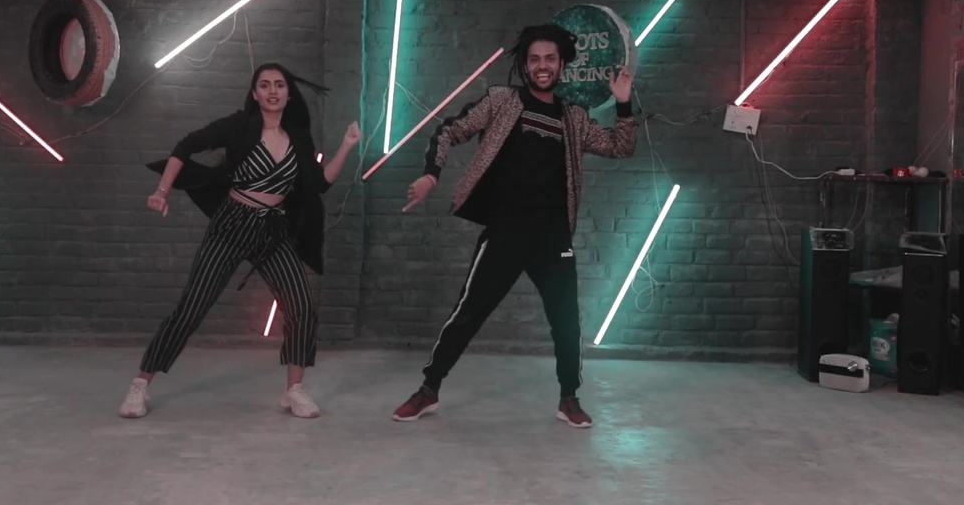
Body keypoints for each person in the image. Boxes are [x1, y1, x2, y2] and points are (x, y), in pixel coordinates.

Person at [391, 23, 636, 428]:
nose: (542, 66)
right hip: (506, 231)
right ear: (525, 65)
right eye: (535, 59)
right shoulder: (501, 101)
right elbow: (449, 130)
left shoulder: (573, 117)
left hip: (553, 236)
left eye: (550, 59)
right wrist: (432, 175)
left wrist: (623, 104)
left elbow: (620, 147)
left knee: (567, 322)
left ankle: (569, 399)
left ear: (562, 65)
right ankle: (428, 389)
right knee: (468, 314)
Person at [119, 62, 360, 420]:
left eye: (279, 85)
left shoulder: (299, 137)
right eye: (265, 85)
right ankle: (140, 384)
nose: (273, 91)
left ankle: (294, 390)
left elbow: (321, 183)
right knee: (192, 308)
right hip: (232, 224)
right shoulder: (239, 126)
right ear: (255, 94)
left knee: (301, 305)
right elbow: (185, 146)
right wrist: (162, 190)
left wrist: (346, 146)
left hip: (272, 229)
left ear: (289, 94)